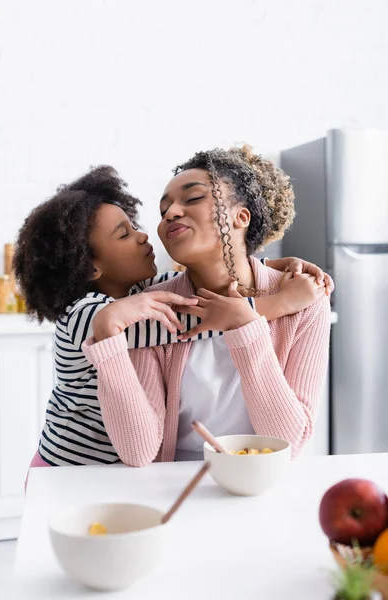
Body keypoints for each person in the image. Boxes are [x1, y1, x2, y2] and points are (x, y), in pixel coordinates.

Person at [82, 146, 332, 467]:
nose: (171, 212)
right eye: (163, 210)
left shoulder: (304, 300)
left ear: (241, 217)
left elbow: (289, 444)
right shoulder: (150, 307)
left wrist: (245, 324)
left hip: (261, 480)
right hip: (171, 485)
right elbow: (138, 452)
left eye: (193, 198)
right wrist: (107, 336)